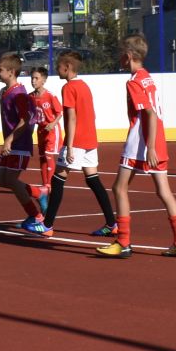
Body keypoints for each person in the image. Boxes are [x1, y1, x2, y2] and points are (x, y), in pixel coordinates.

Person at [97, 35, 176, 259]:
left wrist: (149, 148)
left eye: (121, 54)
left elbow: (150, 114)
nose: (120, 58)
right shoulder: (148, 78)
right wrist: (156, 146)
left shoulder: (134, 82)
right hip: (158, 140)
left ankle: (123, 242)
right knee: (164, 191)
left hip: (141, 140)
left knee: (119, 188)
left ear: (128, 57)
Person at [41, 50, 118, 236]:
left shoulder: (68, 88)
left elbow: (72, 118)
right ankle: (111, 223)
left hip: (77, 140)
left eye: (59, 66)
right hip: (90, 139)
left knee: (58, 179)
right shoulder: (84, 86)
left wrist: (69, 146)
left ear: (67, 68)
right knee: (93, 180)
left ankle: (47, 225)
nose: (56, 69)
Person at [0, 52, 46, 234]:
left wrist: (10, 139)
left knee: (10, 180)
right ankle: (39, 193)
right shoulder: (5, 91)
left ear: (11, 72)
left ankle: (35, 216)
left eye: (0, 70)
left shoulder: (19, 94)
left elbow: (25, 120)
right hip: (11, 144)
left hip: (19, 144)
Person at [27, 63, 63, 218]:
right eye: (32, 78)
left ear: (44, 80)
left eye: (36, 78)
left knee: (49, 155)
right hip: (40, 131)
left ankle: (49, 185)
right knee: (42, 158)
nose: (33, 81)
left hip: (51, 131)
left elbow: (60, 112)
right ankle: (45, 184)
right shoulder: (31, 97)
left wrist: (53, 123)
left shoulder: (50, 96)